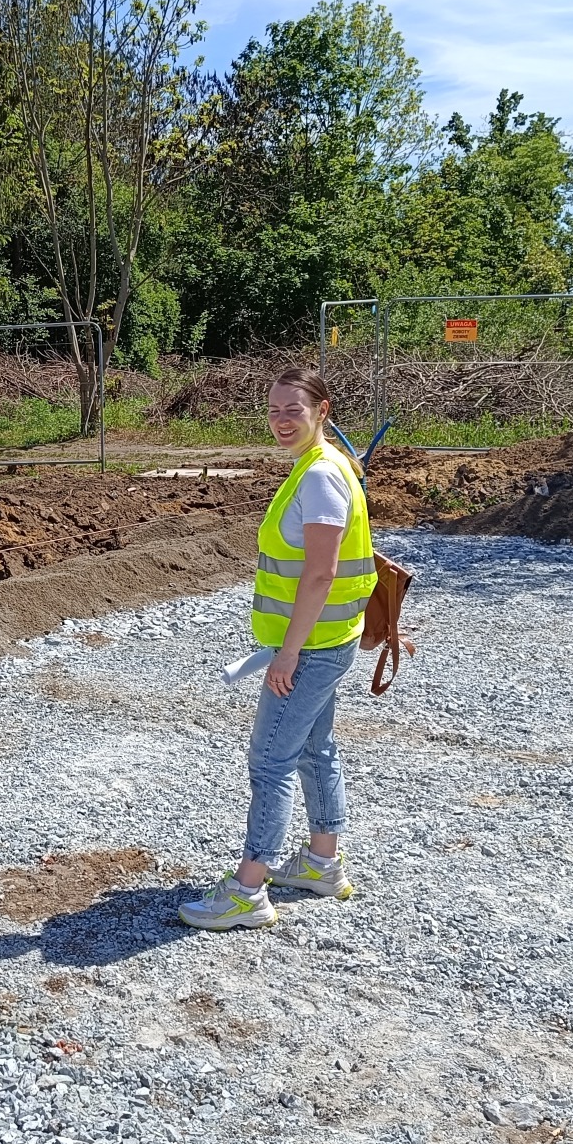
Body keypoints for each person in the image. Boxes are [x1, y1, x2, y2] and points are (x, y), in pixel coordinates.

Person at [180, 367, 377, 930]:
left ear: (322, 411)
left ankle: (248, 890)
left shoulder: (319, 477)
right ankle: (321, 864)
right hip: (328, 639)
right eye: (274, 410)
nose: (282, 420)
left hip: (310, 647)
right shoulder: (325, 466)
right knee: (315, 748)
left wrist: (288, 653)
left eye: (294, 409)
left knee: (271, 760)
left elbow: (321, 573)